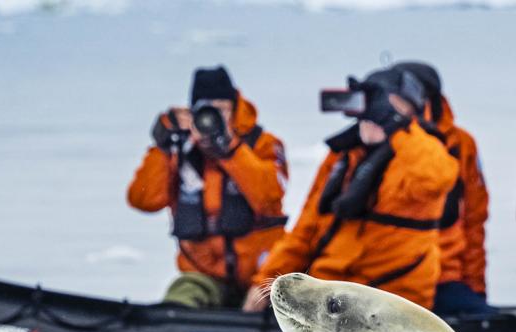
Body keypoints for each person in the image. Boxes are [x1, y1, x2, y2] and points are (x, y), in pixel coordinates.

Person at [242, 68, 459, 312]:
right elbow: (305, 230)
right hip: (329, 295)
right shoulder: (343, 157)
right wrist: (264, 283)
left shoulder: (421, 152)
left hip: (391, 304)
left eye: (380, 104)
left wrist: (395, 127)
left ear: (407, 110)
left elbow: (435, 178)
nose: (370, 116)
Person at [127, 66, 289, 308]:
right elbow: (144, 199)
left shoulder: (263, 145)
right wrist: (161, 146)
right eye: (206, 111)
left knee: (287, 306)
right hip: (203, 274)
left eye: (221, 109)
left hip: (263, 275)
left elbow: (270, 194)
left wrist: (230, 149)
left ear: (234, 108)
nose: (213, 119)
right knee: (182, 296)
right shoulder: (181, 151)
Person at [392, 61, 495, 317]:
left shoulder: (462, 145)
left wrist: (476, 287)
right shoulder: (381, 141)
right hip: (393, 279)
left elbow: (474, 220)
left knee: (481, 318)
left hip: (446, 277)